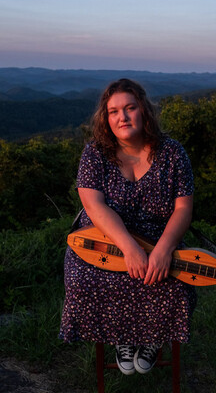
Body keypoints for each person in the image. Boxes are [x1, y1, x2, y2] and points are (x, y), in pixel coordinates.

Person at [59, 78, 196, 375]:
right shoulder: (95, 153)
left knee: (172, 281)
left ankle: (152, 337)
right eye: (113, 111)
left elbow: (183, 208)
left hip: (159, 240)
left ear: (144, 110)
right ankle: (122, 337)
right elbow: (94, 206)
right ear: (106, 118)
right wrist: (130, 248)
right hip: (104, 240)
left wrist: (162, 250)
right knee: (84, 280)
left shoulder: (172, 153)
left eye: (130, 108)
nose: (122, 117)